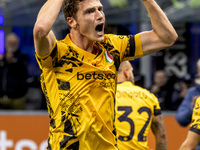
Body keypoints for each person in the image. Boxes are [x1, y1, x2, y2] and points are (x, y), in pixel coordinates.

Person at [33, 0, 177, 149]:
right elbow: (41, 29)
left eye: (100, 9)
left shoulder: (112, 47)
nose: (100, 15)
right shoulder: (57, 53)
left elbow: (166, 37)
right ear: (72, 21)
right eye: (90, 11)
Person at [115, 61, 167, 150]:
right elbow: (161, 135)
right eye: (132, 71)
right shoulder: (149, 96)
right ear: (126, 72)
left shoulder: (104, 95)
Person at [0, 33, 28, 110]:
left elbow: (23, 73)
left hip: (17, 98)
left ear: (17, 44)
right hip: (1, 97)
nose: (11, 45)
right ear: (6, 43)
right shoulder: (2, 58)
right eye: (10, 43)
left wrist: (13, 62)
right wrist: (3, 61)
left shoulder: (22, 58)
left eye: (14, 43)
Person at [176, 59, 200, 149]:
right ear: (198, 72)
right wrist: (193, 108)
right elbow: (181, 120)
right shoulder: (192, 93)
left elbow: (188, 146)